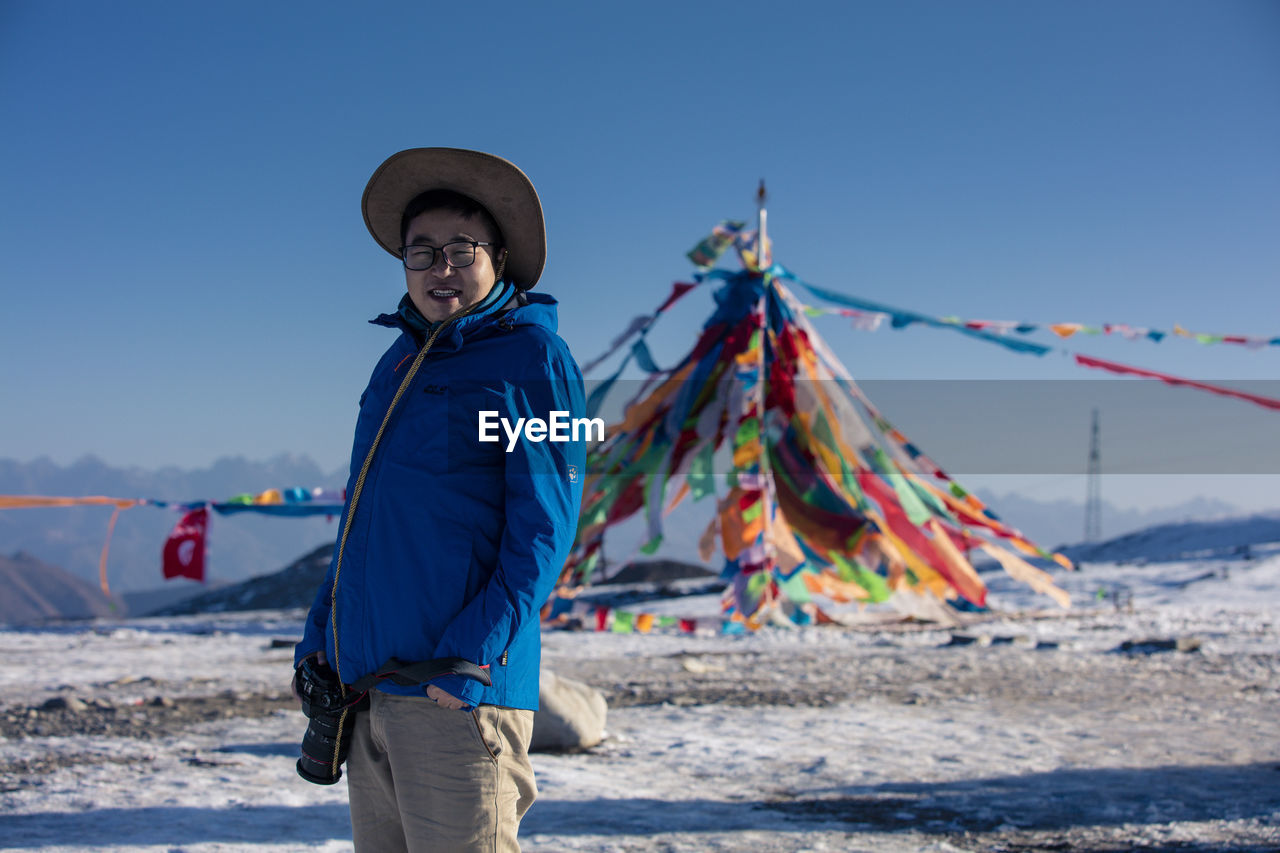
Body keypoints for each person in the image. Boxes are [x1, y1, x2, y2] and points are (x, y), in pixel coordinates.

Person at [294, 147, 586, 852]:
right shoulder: (395, 361)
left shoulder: (535, 362)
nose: (439, 269)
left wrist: (470, 657)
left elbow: (545, 531)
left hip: (457, 697)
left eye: (461, 249)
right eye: (420, 252)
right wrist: (323, 635)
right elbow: (365, 518)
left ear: (501, 256)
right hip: (370, 691)